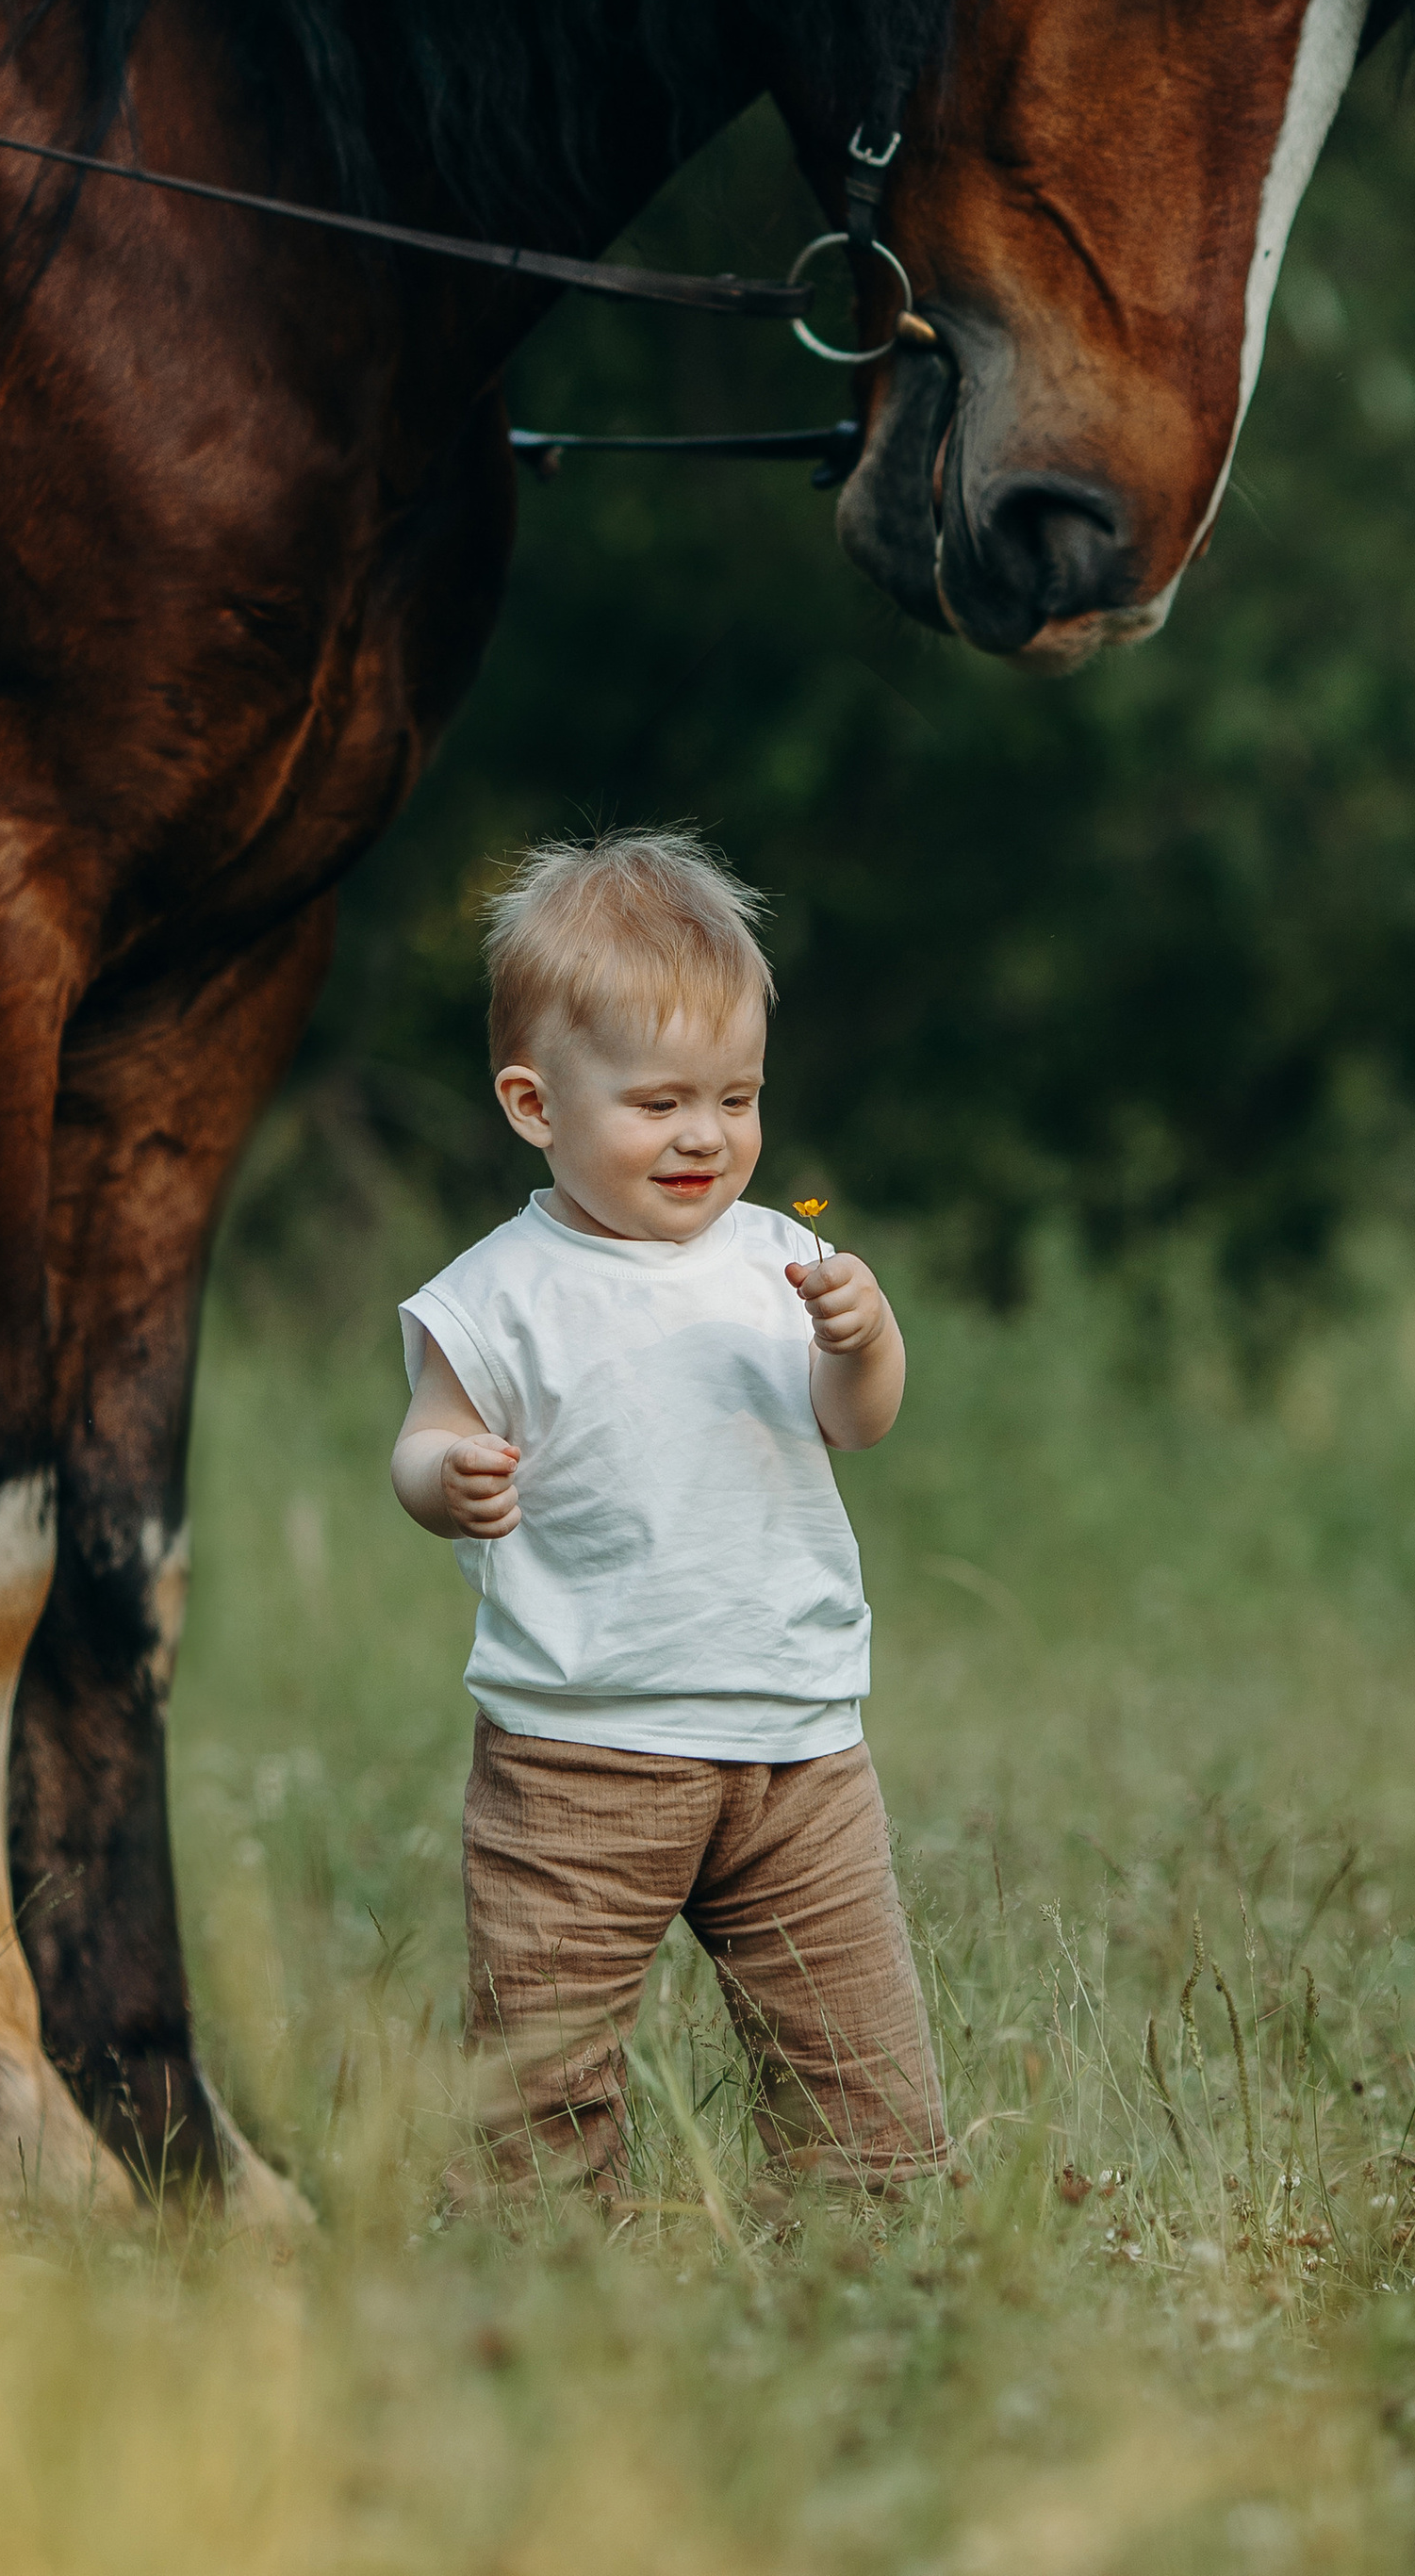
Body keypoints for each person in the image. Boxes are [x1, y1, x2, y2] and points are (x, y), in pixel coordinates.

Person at [391, 825, 946, 2198]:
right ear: (536, 1105)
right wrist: (445, 1480)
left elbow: (855, 1419)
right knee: (543, 2082)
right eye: (658, 1103)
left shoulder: (785, 1258)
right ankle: (555, 2309)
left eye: (737, 1098)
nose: (707, 1135)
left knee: (860, 2076)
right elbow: (427, 1442)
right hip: (580, 1758)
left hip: (800, 1751)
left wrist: (866, 1338)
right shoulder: (499, 1293)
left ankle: (876, 2285)